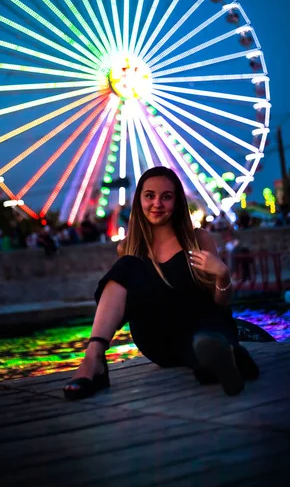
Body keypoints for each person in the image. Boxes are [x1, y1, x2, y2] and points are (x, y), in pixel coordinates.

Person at [64, 166, 259, 401]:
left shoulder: (198, 239)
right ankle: (94, 357)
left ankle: (220, 361)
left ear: (177, 201)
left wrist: (222, 275)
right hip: (157, 334)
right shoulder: (128, 248)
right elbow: (124, 302)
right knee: (127, 266)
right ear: (139, 201)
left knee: (205, 338)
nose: (157, 203)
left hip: (202, 322)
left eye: (166, 197)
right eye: (150, 196)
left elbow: (220, 302)